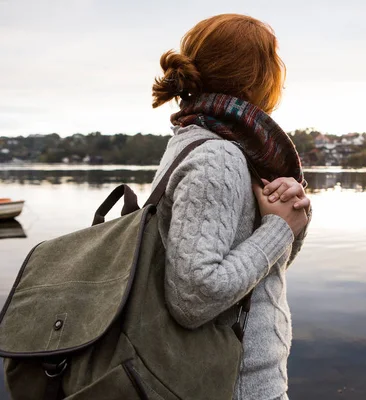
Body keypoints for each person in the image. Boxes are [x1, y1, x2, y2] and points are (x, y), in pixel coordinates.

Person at [150, 13, 311, 400]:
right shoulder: (217, 157)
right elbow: (193, 296)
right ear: (263, 77)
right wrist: (278, 229)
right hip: (234, 385)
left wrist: (292, 218)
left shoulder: (221, 145)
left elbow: (267, 266)